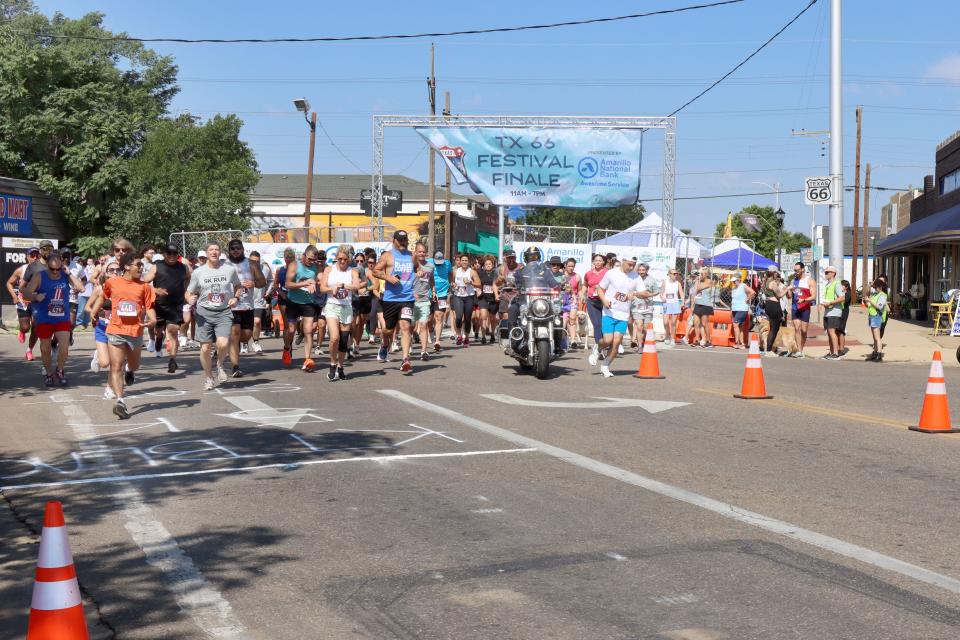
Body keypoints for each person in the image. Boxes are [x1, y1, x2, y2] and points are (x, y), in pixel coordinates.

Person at [89, 252, 156, 419]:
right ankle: (120, 400)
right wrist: (94, 312)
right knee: (115, 366)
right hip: (116, 330)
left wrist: (153, 319)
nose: (141, 268)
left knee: (133, 365)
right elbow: (102, 296)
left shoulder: (144, 287)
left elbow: (149, 307)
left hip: (135, 331)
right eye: (138, 265)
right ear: (126, 266)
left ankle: (130, 371)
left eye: (142, 266)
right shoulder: (112, 283)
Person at [20, 251, 85, 387]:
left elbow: (81, 288)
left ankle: (60, 370)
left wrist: (69, 274)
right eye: (52, 269)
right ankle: (49, 373)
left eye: (58, 269)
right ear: (47, 266)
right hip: (45, 318)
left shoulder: (65, 276)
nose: (55, 272)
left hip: (62, 318)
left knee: (64, 346)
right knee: (45, 348)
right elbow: (25, 292)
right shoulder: (39, 276)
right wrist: (35, 297)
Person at [185, 243, 242, 390]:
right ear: (207, 253)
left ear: (220, 253)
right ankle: (209, 377)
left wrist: (235, 298)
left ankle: (219, 365)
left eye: (217, 250)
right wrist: (189, 299)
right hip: (204, 312)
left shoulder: (229, 270)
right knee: (205, 349)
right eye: (211, 250)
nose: (214, 252)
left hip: (223, 312)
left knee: (223, 343)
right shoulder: (198, 272)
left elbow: (238, 286)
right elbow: (189, 291)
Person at [591, 256, 649, 378]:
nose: (631, 267)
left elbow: (645, 293)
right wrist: (604, 300)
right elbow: (600, 289)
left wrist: (635, 293)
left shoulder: (636, 277)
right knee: (608, 340)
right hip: (609, 312)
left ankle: (605, 366)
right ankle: (597, 348)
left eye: (633, 264)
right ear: (623, 262)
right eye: (629, 264)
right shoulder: (612, 273)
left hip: (623, 315)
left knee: (616, 343)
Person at [374, 230, 416, 372]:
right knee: (388, 329)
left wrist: (420, 272)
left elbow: (417, 269)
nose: (403, 242)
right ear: (394, 240)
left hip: (407, 298)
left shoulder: (412, 256)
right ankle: (385, 344)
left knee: (405, 326)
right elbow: (375, 271)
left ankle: (405, 359)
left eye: (405, 240)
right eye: (400, 240)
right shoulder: (388, 255)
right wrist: (388, 277)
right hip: (391, 299)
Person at [225, 239, 266, 377]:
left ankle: (232, 348)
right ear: (229, 250)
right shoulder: (224, 264)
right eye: (233, 249)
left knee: (246, 335)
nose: (236, 251)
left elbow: (262, 282)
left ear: (242, 249)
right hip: (231, 306)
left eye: (238, 248)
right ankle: (235, 366)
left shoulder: (251, 263)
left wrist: (253, 282)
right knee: (234, 334)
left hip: (247, 306)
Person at [319, 245, 361, 381]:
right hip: (332, 306)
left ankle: (341, 366)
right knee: (334, 338)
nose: (342, 261)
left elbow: (356, 287)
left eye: (345, 259)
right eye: (340, 259)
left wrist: (342, 285)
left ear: (349, 259)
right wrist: (333, 288)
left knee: (343, 341)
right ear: (336, 258)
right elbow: (322, 288)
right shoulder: (329, 269)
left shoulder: (353, 271)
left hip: (346, 307)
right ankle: (332, 364)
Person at [283, 245, 321, 371]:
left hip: (308, 303)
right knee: (292, 329)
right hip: (293, 301)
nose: (311, 262)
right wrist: (305, 283)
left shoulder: (316, 267)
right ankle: (287, 347)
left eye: (314, 260)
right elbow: (287, 284)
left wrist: (315, 283)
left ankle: (307, 360)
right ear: (304, 256)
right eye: (309, 259)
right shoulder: (295, 265)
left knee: (308, 331)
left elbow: (320, 280)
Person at [7, 246, 38, 359]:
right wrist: (14, 296)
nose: (35, 257)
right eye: (32, 255)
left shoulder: (43, 270)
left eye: (37, 255)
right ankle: (22, 331)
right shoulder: (21, 270)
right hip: (23, 302)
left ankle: (29, 351)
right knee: (25, 327)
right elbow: (9, 283)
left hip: (37, 302)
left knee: (36, 327)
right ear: (27, 257)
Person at [411, 242, 436, 361]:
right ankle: (409, 342)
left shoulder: (430, 266)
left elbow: (431, 280)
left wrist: (434, 290)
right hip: (410, 300)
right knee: (410, 325)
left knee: (423, 324)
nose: (421, 253)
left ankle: (424, 351)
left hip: (424, 299)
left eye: (423, 251)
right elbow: (404, 279)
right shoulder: (410, 265)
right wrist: (416, 274)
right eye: (419, 251)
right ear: (415, 252)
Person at [451, 253, 481, 347]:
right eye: (462, 260)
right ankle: (459, 335)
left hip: (469, 296)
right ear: (460, 261)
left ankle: (467, 338)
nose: (464, 262)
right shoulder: (455, 271)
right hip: (458, 296)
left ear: (468, 262)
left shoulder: (472, 272)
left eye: (466, 261)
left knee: (468, 319)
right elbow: (452, 281)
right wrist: (453, 284)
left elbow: (479, 284)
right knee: (459, 317)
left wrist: (471, 282)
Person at [787, 261, 817, 357]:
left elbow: (814, 296)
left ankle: (801, 348)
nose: (795, 272)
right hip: (795, 307)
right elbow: (789, 296)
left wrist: (804, 300)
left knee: (804, 330)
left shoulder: (810, 280)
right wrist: (789, 290)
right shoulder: (793, 281)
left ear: (803, 269)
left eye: (797, 270)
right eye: (794, 270)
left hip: (805, 307)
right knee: (797, 328)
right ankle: (799, 351)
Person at [630, 262, 659, 351]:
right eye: (639, 270)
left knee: (645, 328)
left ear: (646, 270)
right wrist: (633, 295)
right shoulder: (633, 278)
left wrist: (649, 295)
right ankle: (639, 346)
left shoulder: (651, 280)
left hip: (648, 306)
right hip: (636, 306)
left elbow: (657, 291)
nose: (641, 272)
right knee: (639, 326)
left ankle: (643, 342)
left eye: (643, 270)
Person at [819, 264, 846, 360]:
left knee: (832, 331)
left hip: (834, 311)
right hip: (828, 311)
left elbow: (842, 297)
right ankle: (831, 352)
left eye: (827, 272)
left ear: (833, 273)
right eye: (825, 272)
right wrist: (823, 304)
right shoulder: (828, 284)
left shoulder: (837, 283)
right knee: (829, 332)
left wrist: (830, 302)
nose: (825, 274)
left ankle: (835, 353)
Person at [583, 253, 608, 350]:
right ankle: (599, 346)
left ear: (603, 262)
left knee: (604, 324)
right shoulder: (588, 273)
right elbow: (585, 284)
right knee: (596, 324)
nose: (597, 262)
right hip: (592, 301)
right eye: (596, 260)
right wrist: (582, 294)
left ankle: (608, 343)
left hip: (605, 302)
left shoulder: (608, 273)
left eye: (600, 260)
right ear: (593, 262)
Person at [350, 251, 373, 358]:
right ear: (354, 261)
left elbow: (376, 284)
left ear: (364, 262)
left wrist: (366, 288)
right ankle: (352, 344)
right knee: (354, 323)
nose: (359, 262)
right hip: (354, 299)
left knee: (360, 324)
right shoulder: (351, 271)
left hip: (365, 299)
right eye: (357, 260)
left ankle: (357, 345)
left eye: (361, 261)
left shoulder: (367, 271)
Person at [249, 250, 272, 354]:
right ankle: (244, 343)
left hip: (259, 300)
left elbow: (271, 280)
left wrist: (268, 290)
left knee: (257, 321)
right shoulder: (244, 269)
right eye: (253, 261)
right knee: (244, 326)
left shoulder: (265, 269)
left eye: (257, 261)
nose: (255, 263)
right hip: (246, 301)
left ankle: (256, 342)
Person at [762, 267, 786, 356]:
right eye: (776, 273)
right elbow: (779, 295)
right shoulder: (772, 282)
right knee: (774, 329)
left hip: (768, 304)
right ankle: (769, 350)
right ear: (774, 273)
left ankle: (768, 350)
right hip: (774, 305)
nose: (777, 275)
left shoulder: (765, 281)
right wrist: (787, 289)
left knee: (772, 328)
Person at [864, 277, 888, 362]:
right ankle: (875, 353)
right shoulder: (874, 294)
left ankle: (879, 354)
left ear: (880, 286)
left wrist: (870, 301)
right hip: (872, 316)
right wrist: (869, 286)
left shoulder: (883, 295)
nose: (874, 289)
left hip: (877, 316)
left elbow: (879, 306)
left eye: (876, 287)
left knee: (877, 337)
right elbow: (867, 295)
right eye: (874, 287)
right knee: (874, 337)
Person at [729, 273, 755, 349]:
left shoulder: (743, 286)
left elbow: (752, 292)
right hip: (735, 309)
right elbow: (733, 299)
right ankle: (741, 343)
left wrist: (748, 298)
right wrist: (731, 309)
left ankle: (737, 343)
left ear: (739, 280)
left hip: (742, 309)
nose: (734, 282)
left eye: (735, 281)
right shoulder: (734, 289)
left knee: (735, 325)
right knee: (739, 326)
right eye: (733, 281)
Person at [691, 268, 716, 348]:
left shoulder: (710, 282)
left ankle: (709, 341)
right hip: (698, 304)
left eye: (702, 274)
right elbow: (695, 291)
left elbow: (697, 289)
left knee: (704, 324)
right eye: (700, 274)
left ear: (706, 275)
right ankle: (698, 340)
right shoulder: (699, 281)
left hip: (706, 305)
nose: (700, 275)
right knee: (696, 323)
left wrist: (698, 282)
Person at [563, 258, 583, 349]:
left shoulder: (577, 276)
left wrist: (580, 298)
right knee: (563, 321)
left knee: (572, 319)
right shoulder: (560, 275)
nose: (571, 268)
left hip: (572, 301)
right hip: (561, 301)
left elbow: (579, 290)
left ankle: (573, 340)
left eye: (573, 266)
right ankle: (561, 340)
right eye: (569, 266)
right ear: (565, 266)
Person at [477, 255, 498, 344]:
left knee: (492, 318)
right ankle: (483, 336)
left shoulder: (496, 273)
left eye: (490, 264)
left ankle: (492, 334)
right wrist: (478, 290)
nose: (488, 265)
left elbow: (499, 283)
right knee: (483, 316)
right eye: (486, 264)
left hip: (493, 298)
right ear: (484, 265)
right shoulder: (480, 272)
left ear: (493, 265)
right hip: (483, 297)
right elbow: (477, 283)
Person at [661, 268, 684, 347]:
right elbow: (661, 293)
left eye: (676, 274)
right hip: (666, 303)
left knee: (673, 323)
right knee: (665, 322)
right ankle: (667, 334)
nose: (676, 275)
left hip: (675, 303)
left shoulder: (678, 283)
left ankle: (672, 338)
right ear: (669, 275)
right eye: (674, 274)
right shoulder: (665, 282)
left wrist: (682, 302)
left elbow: (681, 294)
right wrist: (662, 297)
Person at [837, 278, 852, 357]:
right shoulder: (840, 293)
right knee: (836, 331)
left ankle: (842, 349)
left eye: (842, 286)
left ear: (846, 287)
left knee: (841, 331)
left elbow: (843, 301)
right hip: (837, 313)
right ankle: (837, 348)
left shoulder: (848, 293)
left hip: (844, 313)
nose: (840, 287)